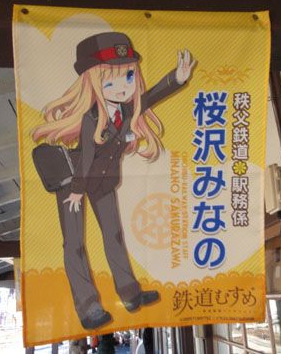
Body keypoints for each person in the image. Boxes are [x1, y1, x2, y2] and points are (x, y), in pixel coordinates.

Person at [32, 32, 196, 330]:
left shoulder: (125, 110)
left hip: (104, 181)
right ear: (93, 82)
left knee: (114, 236)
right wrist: (76, 192)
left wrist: (177, 78)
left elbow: (150, 97)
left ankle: (130, 294)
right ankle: (88, 307)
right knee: (75, 244)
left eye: (129, 76)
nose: (123, 87)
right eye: (110, 81)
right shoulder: (91, 118)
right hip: (74, 183)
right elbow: (86, 157)